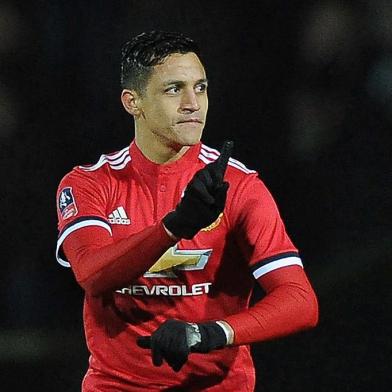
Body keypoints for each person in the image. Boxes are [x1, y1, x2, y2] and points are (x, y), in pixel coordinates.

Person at [56, 30, 318, 391]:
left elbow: (301, 301)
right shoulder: (90, 183)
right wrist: (175, 226)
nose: (193, 103)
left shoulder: (240, 187)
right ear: (133, 102)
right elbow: (92, 274)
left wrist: (211, 333)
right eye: (174, 89)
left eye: (201, 87)